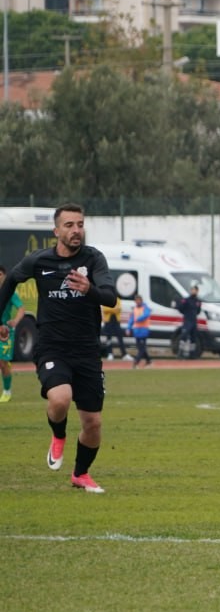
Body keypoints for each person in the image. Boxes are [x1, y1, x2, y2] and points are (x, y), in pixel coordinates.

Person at [0, 203, 117, 493]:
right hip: (52, 347)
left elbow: (111, 298)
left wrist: (89, 289)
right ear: (56, 231)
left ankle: (80, 474)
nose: (76, 230)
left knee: (92, 424)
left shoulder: (93, 259)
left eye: (79, 224)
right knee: (60, 399)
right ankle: (59, 436)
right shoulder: (39, 261)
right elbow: (12, 279)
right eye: (69, 225)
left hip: (88, 351)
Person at [0, 266, 26, 402]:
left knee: (3, 363)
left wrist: (15, 320)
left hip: (5, 332)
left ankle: (7, 391)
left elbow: (21, 308)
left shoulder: (10, 293)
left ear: (5, 276)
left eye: (0, 274)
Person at [174, 284, 202, 358]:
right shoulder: (186, 300)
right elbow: (180, 308)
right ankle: (180, 352)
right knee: (184, 336)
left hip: (194, 321)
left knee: (193, 338)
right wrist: (185, 313)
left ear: (197, 291)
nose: (193, 291)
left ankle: (192, 354)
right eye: (192, 290)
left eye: (195, 290)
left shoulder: (198, 301)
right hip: (187, 321)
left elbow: (198, 311)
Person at [127, 292, 153, 368]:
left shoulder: (145, 307)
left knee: (141, 348)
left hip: (144, 330)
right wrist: (128, 328)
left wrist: (138, 319)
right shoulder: (135, 309)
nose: (137, 302)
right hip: (136, 330)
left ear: (141, 300)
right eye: (136, 300)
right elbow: (131, 319)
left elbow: (146, 315)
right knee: (141, 348)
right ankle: (149, 361)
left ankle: (136, 362)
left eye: (139, 300)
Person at [101, 296, 129, 361]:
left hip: (116, 322)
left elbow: (119, 309)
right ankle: (110, 353)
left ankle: (124, 354)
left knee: (120, 338)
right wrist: (114, 309)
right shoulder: (105, 299)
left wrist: (111, 309)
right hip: (108, 322)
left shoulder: (118, 299)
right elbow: (105, 309)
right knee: (109, 338)